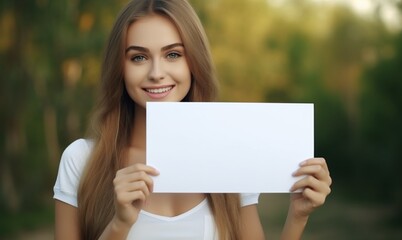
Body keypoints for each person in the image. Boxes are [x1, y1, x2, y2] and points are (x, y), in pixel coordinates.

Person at [53, 0, 332, 239]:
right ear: (120, 68)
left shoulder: (232, 159)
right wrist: (119, 224)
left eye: (173, 54)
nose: (156, 72)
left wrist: (298, 217)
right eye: (138, 58)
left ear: (194, 61)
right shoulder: (80, 161)